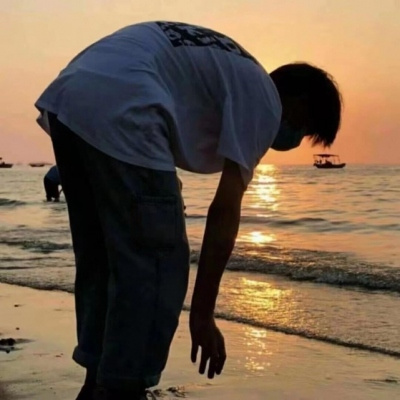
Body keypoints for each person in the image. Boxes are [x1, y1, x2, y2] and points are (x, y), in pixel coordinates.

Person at [34, 21, 342, 400]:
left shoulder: (233, 69)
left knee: (104, 260)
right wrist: (202, 314)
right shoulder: (265, 99)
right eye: (306, 129)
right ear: (300, 102)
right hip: (128, 104)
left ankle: (97, 379)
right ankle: (121, 388)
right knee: (157, 266)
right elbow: (225, 211)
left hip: (71, 96)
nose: (297, 138)